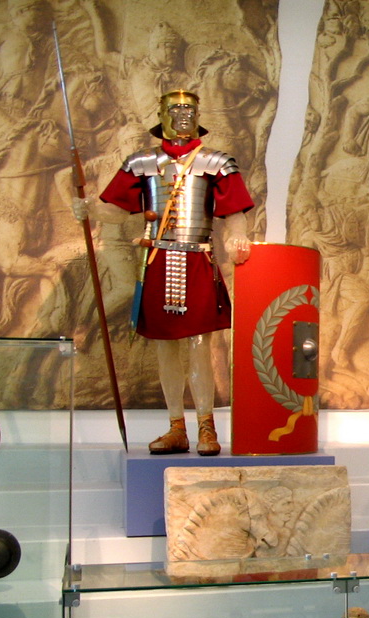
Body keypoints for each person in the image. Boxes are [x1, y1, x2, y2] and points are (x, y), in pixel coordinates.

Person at [95, 90, 253, 455]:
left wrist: (238, 236)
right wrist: (88, 206)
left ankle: (206, 427)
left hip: (197, 258)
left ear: (198, 114)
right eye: (175, 108)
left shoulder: (216, 161)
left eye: (189, 108)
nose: (183, 114)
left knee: (200, 346)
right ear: (162, 115)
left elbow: (233, 211)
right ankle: (176, 427)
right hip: (157, 261)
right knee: (166, 349)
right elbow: (116, 209)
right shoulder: (142, 162)